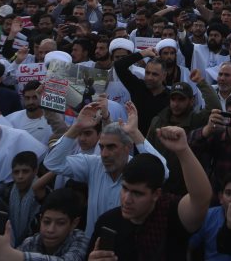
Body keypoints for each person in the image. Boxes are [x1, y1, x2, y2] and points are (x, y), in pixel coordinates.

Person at [43, 100, 169, 236]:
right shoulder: (93, 164)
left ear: (128, 147)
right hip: (92, 245)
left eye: (111, 147)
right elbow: (52, 163)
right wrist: (76, 127)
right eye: (102, 147)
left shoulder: (139, 169)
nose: (104, 154)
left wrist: (134, 132)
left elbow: (163, 172)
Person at [88, 126, 213, 261]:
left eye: (137, 193)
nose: (127, 199)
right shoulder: (108, 222)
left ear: (156, 194)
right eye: (125, 189)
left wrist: (183, 150)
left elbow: (201, 198)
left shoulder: (171, 215)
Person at [0, 188, 90, 261]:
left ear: (74, 223)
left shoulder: (80, 239)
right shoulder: (30, 242)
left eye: (60, 223)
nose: (51, 229)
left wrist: (12, 255)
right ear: (40, 219)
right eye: (46, 222)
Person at [5, 80, 53, 145]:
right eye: (27, 98)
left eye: (35, 97)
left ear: (42, 97)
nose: (31, 102)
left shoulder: (53, 120)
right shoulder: (10, 120)